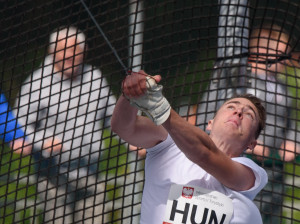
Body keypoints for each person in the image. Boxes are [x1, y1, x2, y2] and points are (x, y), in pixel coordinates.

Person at [111, 70, 268, 224]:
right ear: (210, 123)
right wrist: (130, 94)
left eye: (249, 115)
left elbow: (204, 154)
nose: (238, 111)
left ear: (252, 144)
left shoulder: (252, 173)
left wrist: (161, 108)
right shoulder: (169, 142)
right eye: (231, 107)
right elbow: (123, 127)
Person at [14, 26, 116, 223]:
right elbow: (17, 127)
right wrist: (42, 141)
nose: (70, 55)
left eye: (75, 50)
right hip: (54, 178)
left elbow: (113, 118)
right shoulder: (37, 83)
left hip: (91, 174)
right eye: (63, 50)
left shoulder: (94, 77)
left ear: (84, 51)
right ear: (52, 52)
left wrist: (132, 138)